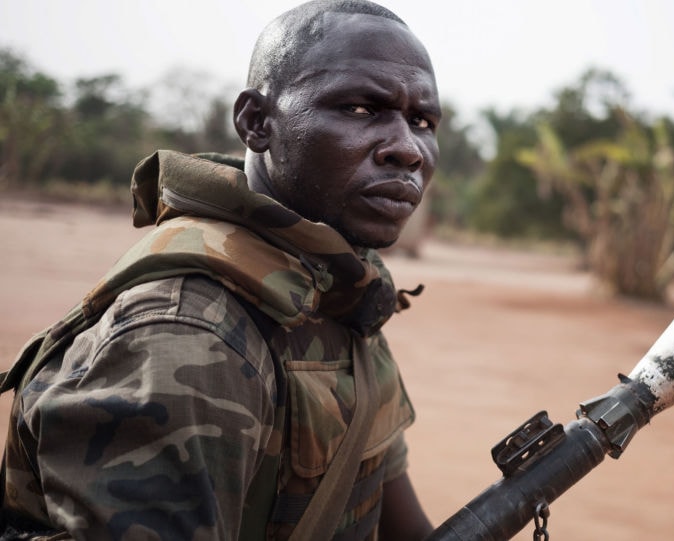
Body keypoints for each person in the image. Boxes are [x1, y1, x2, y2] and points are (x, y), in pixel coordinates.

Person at [0, 1, 439, 539]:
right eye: (360, 109)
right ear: (257, 122)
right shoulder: (185, 335)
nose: (407, 148)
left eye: (423, 121)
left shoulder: (339, 290)